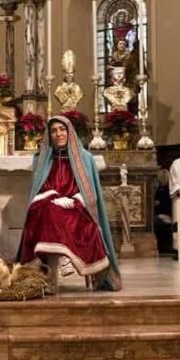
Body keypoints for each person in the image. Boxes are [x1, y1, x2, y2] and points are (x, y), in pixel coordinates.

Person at [20, 116, 122, 291]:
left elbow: (90, 193)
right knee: (49, 210)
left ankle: (61, 262)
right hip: (50, 202)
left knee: (54, 213)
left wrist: (74, 199)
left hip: (77, 207)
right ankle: (59, 263)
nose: (58, 134)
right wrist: (54, 197)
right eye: (54, 131)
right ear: (49, 135)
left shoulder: (85, 158)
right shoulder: (42, 158)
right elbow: (38, 191)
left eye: (62, 129)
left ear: (70, 132)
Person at [154, 169, 174, 256]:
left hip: (166, 215)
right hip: (167, 214)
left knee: (156, 221)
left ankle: (162, 247)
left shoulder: (163, 190)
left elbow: (158, 204)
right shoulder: (165, 189)